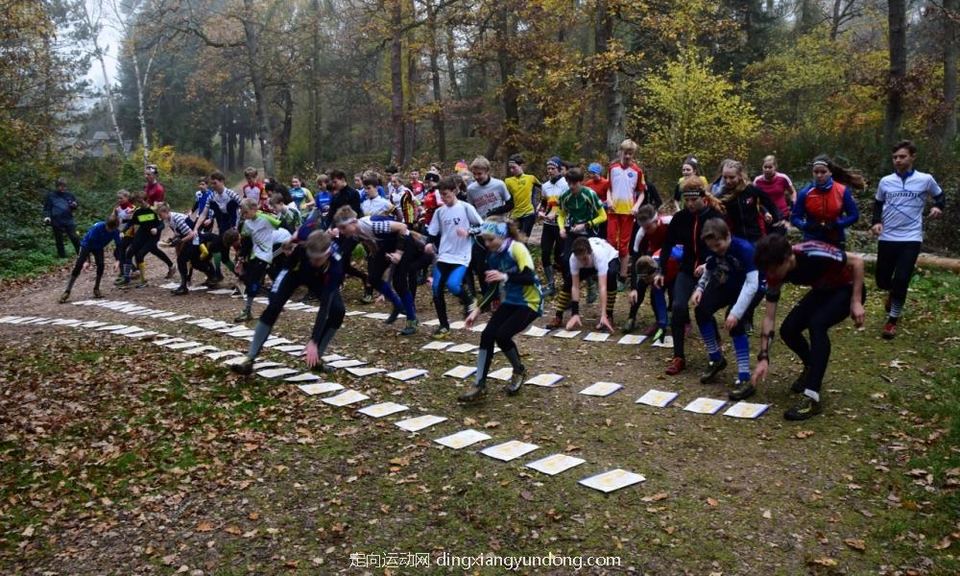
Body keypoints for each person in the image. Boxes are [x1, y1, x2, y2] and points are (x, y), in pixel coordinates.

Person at [751, 235, 866, 420]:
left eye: (773, 270)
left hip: (847, 288)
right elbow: (769, 317)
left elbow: (857, 261)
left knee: (817, 324)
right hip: (823, 291)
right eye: (767, 271)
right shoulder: (774, 272)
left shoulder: (813, 251)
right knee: (788, 329)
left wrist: (856, 300)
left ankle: (812, 396)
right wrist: (763, 357)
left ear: (788, 259)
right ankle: (811, 368)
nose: (770, 275)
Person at [230, 230, 346, 375]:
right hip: (295, 273)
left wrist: (314, 341)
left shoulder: (336, 266)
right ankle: (250, 359)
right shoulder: (302, 249)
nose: (313, 261)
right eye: (311, 257)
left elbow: (325, 307)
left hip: (321, 280)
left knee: (338, 310)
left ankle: (316, 357)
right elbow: (284, 271)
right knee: (273, 307)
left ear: (327, 255)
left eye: (317, 259)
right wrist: (274, 298)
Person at [459, 218, 543, 402]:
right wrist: (477, 310)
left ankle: (519, 370)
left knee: (503, 335)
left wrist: (504, 275)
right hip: (511, 300)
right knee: (487, 335)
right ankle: (479, 383)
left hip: (530, 302)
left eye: (491, 239)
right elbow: (493, 287)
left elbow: (529, 277)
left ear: (502, 235)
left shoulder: (517, 249)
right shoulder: (493, 256)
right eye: (484, 240)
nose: (487, 244)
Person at [872, 140, 945, 339]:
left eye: (902, 156)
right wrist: (876, 222)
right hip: (887, 237)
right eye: (895, 157)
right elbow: (878, 203)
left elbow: (940, 196)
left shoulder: (925, 179)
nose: (898, 160)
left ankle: (892, 321)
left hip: (911, 237)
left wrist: (938, 207)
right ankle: (892, 293)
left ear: (912, 157)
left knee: (902, 279)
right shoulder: (886, 181)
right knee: (882, 280)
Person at [655, 177, 726, 375]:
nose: (690, 204)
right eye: (687, 200)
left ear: (703, 198)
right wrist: (660, 270)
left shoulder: (714, 217)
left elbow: (725, 245)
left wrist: (709, 264)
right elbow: (667, 244)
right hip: (686, 269)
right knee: (678, 307)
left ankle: (715, 347)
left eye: (694, 200)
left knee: (704, 308)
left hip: (710, 268)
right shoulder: (681, 218)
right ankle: (679, 356)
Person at [690, 219, 761, 400]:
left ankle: (745, 377)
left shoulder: (744, 249)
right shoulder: (714, 249)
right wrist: (699, 288)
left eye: (719, 245)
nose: (716, 249)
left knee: (734, 324)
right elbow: (710, 266)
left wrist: (736, 313)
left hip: (751, 287)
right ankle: (716, 358)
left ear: (728, 236)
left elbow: (752, 284)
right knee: (702, 310)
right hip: (729, 282)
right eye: (712, 246)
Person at [546, 168, 608, 328]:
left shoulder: (589, 194)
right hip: (573, 232)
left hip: (590, 233)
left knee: (590, 265)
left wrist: (586, 225)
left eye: (574, 183)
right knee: (566, 265)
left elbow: (603, 216)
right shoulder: (565, 196)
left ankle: (592, 283)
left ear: (580, 182)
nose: (572, 186)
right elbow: (560, 213)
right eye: (569, 183)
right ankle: (561, 313)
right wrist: (560, 228)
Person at [333, 206, 412, 322]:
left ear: (353, 222)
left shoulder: (371, 224)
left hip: (404, 242)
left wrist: (398, 253)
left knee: (399, 282)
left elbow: (403, 227)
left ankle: (412, 318)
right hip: (387, 243)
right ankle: (397, 304)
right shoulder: (355, 232)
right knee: (373, 278)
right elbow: (369, 241)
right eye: (340, 228)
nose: (342, 231)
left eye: (343, 227)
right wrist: (377, 258)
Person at [426, 177, 483, 338]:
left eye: (446, 194)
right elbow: (432, 233)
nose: (443, 198)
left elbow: (483, 226)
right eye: (441, 195)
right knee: (436, 290)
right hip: (444, 255)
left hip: (462, 256)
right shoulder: (439, 212)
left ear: (454, 191)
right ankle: (444, 326)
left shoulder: (466, 208)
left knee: (452, 285)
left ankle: (469, 300)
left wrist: (469, 232)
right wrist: (429, 244)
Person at [791, 155, 864, 247]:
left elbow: (854, 215)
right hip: (812, 238)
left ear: (830, 172)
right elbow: (795, 217)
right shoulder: (805, 193)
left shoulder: (842, 191)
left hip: (835, 238)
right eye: (816, 172)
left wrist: (837, 224)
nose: (819, 175)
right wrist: (805, 226)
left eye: (823, 172)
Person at [624, 205, 671, 339]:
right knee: (642, 285)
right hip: (653, 257)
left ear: (656, 221)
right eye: (644, 228)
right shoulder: (641, 234)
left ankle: (679, 318)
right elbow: (635, 262)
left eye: (649, 227)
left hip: (673, 256)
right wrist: (633, 288)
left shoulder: (669, 222)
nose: (647, 231)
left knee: (673, 287)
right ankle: (632, 317)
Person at [233, 198, 282, 322]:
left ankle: (249, 310)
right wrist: (241, 257)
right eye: (242, 213)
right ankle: (275, 301)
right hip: (255, 255)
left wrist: (290, 242)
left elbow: (283, 225)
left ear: (254, 209)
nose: (244, 215)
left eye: (246, 212)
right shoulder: (247, 223)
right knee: (249, 281)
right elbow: (247, 242)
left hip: (265, 255)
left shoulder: (266, 218)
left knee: (252, 282)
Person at [607, 139, 647, 288]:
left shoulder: (637, 171)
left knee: (624, 245)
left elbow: (641, 192)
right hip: (613, 211)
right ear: (620, 152)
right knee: (610, 242)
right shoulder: (612, 168)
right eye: (625, 153)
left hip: (628, 213)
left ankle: (622, 277)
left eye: (631, 153)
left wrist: (636, 206)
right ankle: (609, 273)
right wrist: (609, 200)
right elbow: (609, 187)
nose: (628, 156)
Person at [59, 214, 121, 303]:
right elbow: (89, 243)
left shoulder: (115, 231)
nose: (109, 230)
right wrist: (87, 260)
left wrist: (117, 260)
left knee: (101, 265)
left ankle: (96, 288)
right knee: (79, 265)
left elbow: (118, 246)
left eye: (112, 229)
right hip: (87, 245)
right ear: (106, 224)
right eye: (108, 228)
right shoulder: (98, 228)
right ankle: (67, 291)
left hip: (99, 247)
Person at [717, 159, 782, 242]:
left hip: (755, 236)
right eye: (725, 177)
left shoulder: (750, 189)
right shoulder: (721, 194)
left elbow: (768, 202)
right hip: (735, 238)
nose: (728, 181)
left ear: (740, 175)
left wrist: (773, 216)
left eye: (732, 177)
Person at [537, 157, 569, 296]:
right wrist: (541, 211)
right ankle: (551, 285)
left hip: (561, 225)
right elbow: (544, 202)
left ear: (559, 169)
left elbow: (565, 205)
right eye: (548, 168)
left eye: (553, 168)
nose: (550, 171)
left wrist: (555, 214)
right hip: (548, 225)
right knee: (544, 253)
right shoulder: (545, 186)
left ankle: (566, 285)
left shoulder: (566, 184)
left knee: (560, 257)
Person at [752, 155, 796, 231]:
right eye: (765, 167)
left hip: (783, 214)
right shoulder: (757, 181)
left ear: (775, 167)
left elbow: (792, 192)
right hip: (766, 215)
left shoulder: (782, 178)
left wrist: (793, 207)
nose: (767, 170)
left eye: (770, 167)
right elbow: (754, 199)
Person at [505, 153, 542, 236]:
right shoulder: (507, 181)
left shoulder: (531, 178)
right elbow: (505, 198)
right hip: (515, 215)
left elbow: (544, 189)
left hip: (528, 213)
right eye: (510, 168)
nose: (511, 170)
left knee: (523, 239)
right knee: (512, 239)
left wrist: (540, 204)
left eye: (514, 167)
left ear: (521, 165)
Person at [43, 177, 80, 258]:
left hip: (68, 219)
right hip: (56, 220)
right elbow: (47, 208)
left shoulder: (70, 195)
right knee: (59, 239)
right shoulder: (51, 196)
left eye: (64, 186)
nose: (63, 188)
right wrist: (47, 217)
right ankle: (62, 257)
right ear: (57, 186)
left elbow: (75, 205)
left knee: (74, 236)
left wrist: (74, 205)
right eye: (61, 186)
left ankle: (81, 254)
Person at [583, 162, 610, 239]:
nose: (591, 175)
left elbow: (609, 198)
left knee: (602, 234)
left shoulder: (606, 183)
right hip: (592, 214)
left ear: (598, 173)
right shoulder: (588, 183)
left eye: (593, 173)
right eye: (590, 173)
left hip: (603, 212)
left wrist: (603, 203)